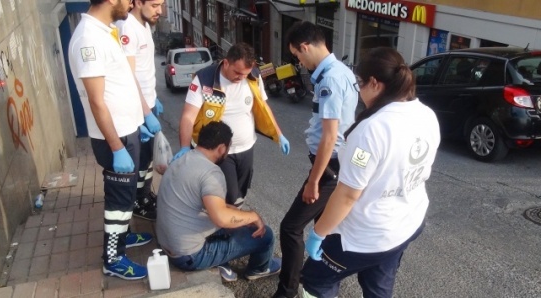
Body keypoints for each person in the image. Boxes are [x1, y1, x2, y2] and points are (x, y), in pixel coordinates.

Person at [301, 47, 441, 298]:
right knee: (378, 286)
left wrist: (318, 233)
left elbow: (347, 196)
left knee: (315, 279)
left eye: (359, 84)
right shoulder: (426, 114)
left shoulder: (371, 130)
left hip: (366, 235)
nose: (358, 91)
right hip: (406, 224)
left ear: (374, 83)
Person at [68, 0, 161, 280]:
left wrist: (140, 118)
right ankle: (113, 257)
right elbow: (97, 101)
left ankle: (123, 236)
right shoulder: (88, 38)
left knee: (125, 194)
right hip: (115, 138)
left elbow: (122, 81)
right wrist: (117, 147)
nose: (131, 3)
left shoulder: (105, 30)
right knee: (119, 200)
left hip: (127, 129)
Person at [273, 21, 358, 298]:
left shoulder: (331, 79)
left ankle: (287, 292)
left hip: (329, 168)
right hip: (334, 164)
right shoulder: (340, 71)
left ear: (305, 47)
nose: (299, 61)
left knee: (291, 227)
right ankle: (319, 286)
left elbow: (330, 136)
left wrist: (314, 181)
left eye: (297, 56)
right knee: (327, 230)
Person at [156, 121, 281, 282]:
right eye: (228, 149)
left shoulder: (183, 159)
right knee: (266, 236)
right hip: (189, 256)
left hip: (168, 243)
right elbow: (221, 218)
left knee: (239, 221)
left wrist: (243, 216)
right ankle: (259, 269)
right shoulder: (212, 173)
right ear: (222, 148)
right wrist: (253, 216)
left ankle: (222, 261)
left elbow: (217, 207)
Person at [173, 42, 290, 210]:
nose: (241, 78)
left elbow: (264, 107)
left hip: (246, 148)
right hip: (218, 152)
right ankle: (225, 227)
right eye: (237, 72)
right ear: (226, 62)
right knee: (228, 195)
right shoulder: (205, 80)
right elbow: (188, 116)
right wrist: (184, 146)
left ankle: (231, 220)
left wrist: (279, 135)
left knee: (241, 193)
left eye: (245, 74)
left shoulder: (254, 77)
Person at [115, 0, 165, 221]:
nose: (160, 11)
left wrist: (154, 99)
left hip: (148, 102)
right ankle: (137, 202)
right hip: (138, 108)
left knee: (148, 159)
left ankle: (145, 195)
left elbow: (145, 71)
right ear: (137, 2)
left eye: (161, 5)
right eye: (155, 5)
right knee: (140, 160)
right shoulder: (127, 28)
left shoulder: (144, 24)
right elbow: (129, 75)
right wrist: (145, 112)